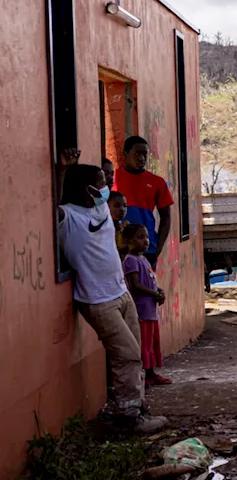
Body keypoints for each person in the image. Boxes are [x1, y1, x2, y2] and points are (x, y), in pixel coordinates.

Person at [55, 149, 167, 433]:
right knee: (127, 354)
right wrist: (62, 170)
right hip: (97, 299)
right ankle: (129, 419)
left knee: (135, 353)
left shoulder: (101, 208)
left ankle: (136, 407)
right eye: (101, 182)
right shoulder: (68, 216)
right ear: (85, 188)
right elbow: (52, 205)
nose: (106, 188)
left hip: (120, 293)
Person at [121, 223, 170, 386]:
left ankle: (151, 373)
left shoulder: (144, 259)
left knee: (151, 343)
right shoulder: (130, 261)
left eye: (146, 237)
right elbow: (135, 285)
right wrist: (154, 293)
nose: (145, 241)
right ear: (127, 241)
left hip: (150, 310)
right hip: (141, 310)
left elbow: (150, 283)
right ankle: (144, 374)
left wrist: (159, 291)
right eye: (140, 237)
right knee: (143, 344)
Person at [114, 136, 174, 270]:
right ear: (125, 154)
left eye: (144, 154)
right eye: (137, 154)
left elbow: (166, 217)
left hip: (147, 249)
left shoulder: (157, 182)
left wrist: (158, 247)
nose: (141, 158)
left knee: (146, 287)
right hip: (118, 247)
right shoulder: (113, 178)